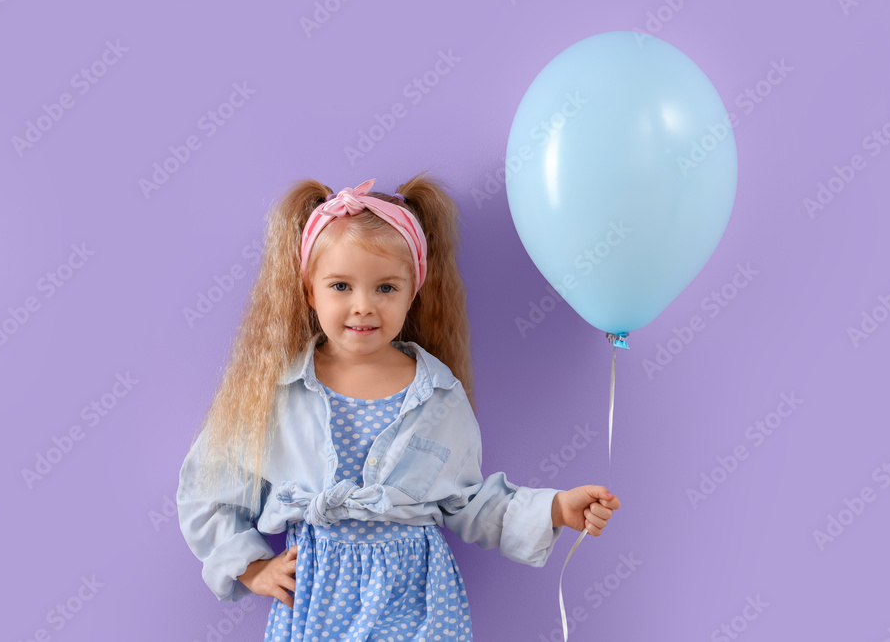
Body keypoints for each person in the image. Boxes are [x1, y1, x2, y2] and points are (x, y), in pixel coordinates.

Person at [176, 174, 621, 640]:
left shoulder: (438, 394)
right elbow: (210, 484)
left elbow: (467, 501)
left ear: (413, 291)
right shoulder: (276, 391)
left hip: (418, 601)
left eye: (385, 288)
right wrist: (251, 567)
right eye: (341, 286)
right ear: (310, 291)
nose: (363, 306)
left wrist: (553, 508)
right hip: (316, 596)